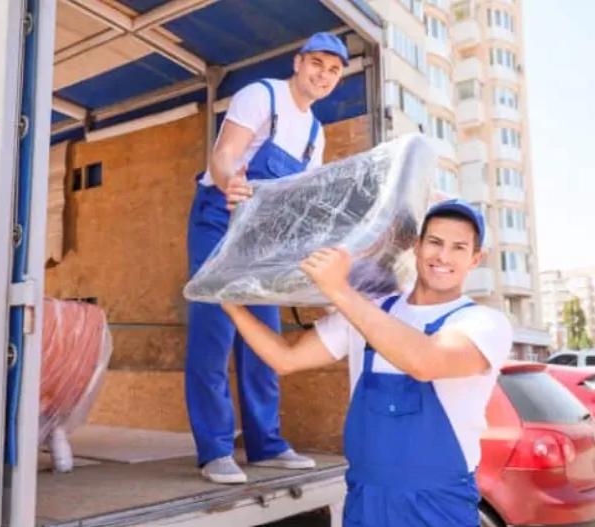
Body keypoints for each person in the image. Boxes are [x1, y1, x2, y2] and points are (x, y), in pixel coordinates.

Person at [223, 199, 512, 525]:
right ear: (417, 247)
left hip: (437, 506)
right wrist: (231, 305)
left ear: (475, 259)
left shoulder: (483, 323)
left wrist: (340, 290)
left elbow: (425, 362)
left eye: (458, 247)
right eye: (435, 242)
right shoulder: (370, 310)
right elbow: (284, 358)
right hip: (365, 502)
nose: (443, 256)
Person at [185, 32, 349, 484]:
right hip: (218, 221)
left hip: (264, 239)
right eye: (317, 63)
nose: (324, 75)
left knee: (262, 335)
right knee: (214, 333)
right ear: (298, 62)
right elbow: (224, 155)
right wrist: (230, 182)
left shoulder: (315, 133)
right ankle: (215, 449)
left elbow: (299, 201)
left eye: (334, 70)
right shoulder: (261, 96)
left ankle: (266, 444)